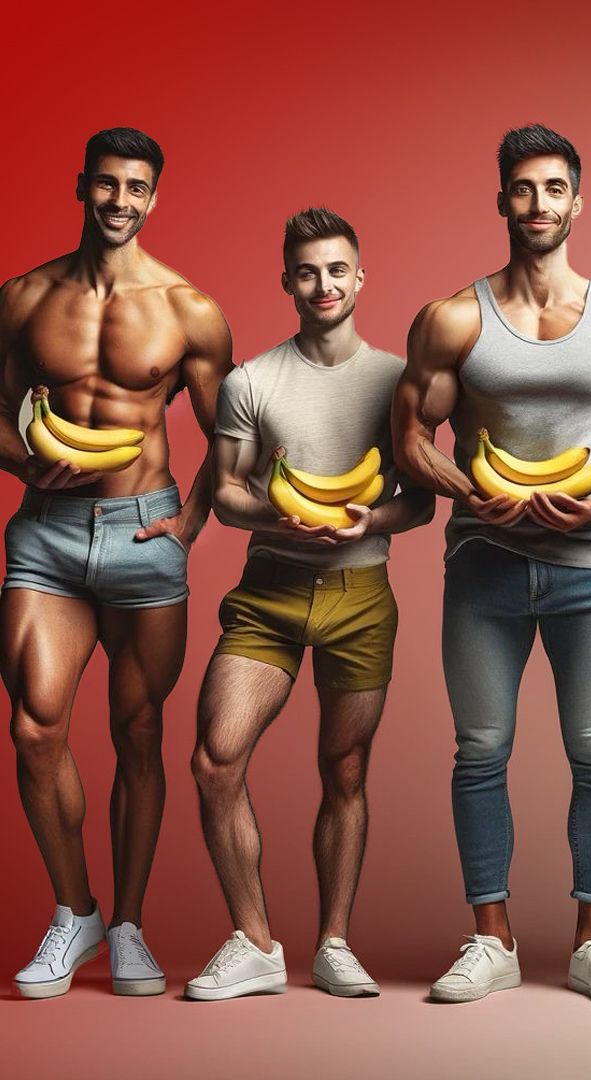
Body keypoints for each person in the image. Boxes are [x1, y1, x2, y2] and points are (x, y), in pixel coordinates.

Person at [393, 124, 591, 1007]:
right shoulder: (455, 319)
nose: (538, 205)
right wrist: (461, 489)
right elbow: (409, 435)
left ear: (576, 202)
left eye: (553, 189)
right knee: (480, 752)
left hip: (590, 568)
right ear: (502, 202)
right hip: (484, 563)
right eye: (522, 189)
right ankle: (493, 939)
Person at [0, 128, 232, 999]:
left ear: (154, 197)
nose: (120, 201)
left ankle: (128, 925)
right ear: (82, 188)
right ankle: (75, 912)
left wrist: (188, 525)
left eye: (136, 188)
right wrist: (24, 462)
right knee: (35, 726)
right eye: (106, 185)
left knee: (138, 736)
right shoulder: (23, 297)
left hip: (143, 533)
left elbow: (229, 437)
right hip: (47, 530)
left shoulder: (188, 309)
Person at [185, 208, 433, 1001]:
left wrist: (374, 518)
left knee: (345, 769)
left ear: (360, 278)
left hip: (362, 597)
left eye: (336, 270)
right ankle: (254, 940)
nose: (322, 285)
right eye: (306, 272)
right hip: (269, 596)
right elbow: (225, 489)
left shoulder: (398, 380)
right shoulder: (250, 381)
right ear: (286, 280)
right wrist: (271, 513)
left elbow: (422, 500)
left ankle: (334, 942)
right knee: (215, 758)